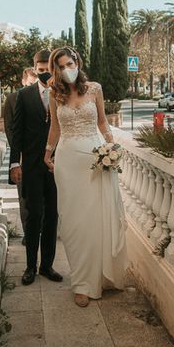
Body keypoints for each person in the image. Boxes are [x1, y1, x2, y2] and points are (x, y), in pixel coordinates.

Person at [43, 47, 127, 307]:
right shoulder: (54, 93)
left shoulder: (95, 89)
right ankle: (81, 283)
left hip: (95, 160)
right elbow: (55, 128)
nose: (67, 69)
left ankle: (99, 277)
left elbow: (102, 122)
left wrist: (112, 145)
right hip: (68, 163)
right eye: (61, 66)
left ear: (78, 62)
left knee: (96, 220)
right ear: (55, 70)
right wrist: (47, 153)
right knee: (73, 224)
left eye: (70, 63)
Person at [9, 49, 63, 286]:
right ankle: (30, 266)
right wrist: (14, 163)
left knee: (52, 217)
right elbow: (16, 132)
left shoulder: (63, 94)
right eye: (40, 70)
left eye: (47, 70)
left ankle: (47, 266)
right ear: (34, 69)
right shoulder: (24, 95)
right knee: (34, 217)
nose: (43, 74)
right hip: (31, 167)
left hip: (56, 167)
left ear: (53, 70)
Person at [2, 67, 38, 245]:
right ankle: (28, 234)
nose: (33, 86)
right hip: (21, 157)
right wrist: (19, 153)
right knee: (24, 198)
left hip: (39, 156)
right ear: (23, 82)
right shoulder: (12, 99)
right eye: (30, 83)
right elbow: (9, 128)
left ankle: (40, 231)